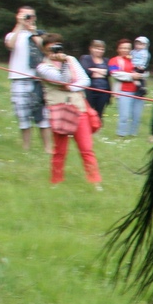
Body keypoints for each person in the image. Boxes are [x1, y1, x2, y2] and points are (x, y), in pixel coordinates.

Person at [35, 34, 102, 189]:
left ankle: (95, 182)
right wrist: (63, 64)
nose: (55, 49)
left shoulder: (71, 59)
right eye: (51, 46)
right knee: (60, 150)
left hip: (79, 108)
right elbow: (61, 79)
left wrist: (72, 86)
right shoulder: (42, 67)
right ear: (45, 49)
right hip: (59, 110)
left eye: (58, 45)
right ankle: (56, 182)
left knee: (86, 148)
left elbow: (85, 80)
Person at [4, 5, 50, 151]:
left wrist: (33, 32)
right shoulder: (13, 35)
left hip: (38, 79)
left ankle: (48, 148)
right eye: (24, 16)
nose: (27, 19)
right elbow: (10, 45)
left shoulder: (40, 35)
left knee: (43, 115)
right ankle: (26, 147)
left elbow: (46, 50)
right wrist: (19, 25)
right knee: (22, 115)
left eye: (30, 16)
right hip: (18, 78)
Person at [108, 39, 141, 137]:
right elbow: (114, 73)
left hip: (138, 91)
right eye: (122, 48)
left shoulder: (135, 59)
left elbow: (143, 71)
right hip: (123, 91)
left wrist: (139, 75)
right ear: (118, 49)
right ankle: (121, 134)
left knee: (136, 115)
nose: (125, 50)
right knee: (124, 115)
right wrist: (131, 76)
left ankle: (133, 134)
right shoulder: (114, 60)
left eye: (127, 48)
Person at [79, 40, 111, 120]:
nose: (99, 51)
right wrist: (101, 71)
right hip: (90, 90)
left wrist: (94, 70)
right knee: (87, 113)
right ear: (91, 48)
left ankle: (97, 130)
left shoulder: (107, 60)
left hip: (104, 91)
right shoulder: (85, 58)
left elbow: (111, 72)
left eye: (102, 49)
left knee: (99, 114)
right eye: (97, 48)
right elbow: (85, 71)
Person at [128, 36, 152, 134]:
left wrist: (139, 67)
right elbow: (129, 59)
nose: (139, 46)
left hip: (139, 68)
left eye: (141, 44)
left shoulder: (145, 53)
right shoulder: (133, 52)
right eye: (137, 44)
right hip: (132, 68)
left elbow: (144, 63)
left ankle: (141, 87)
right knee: (135, 78)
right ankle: (139, 85)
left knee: (139, 77)